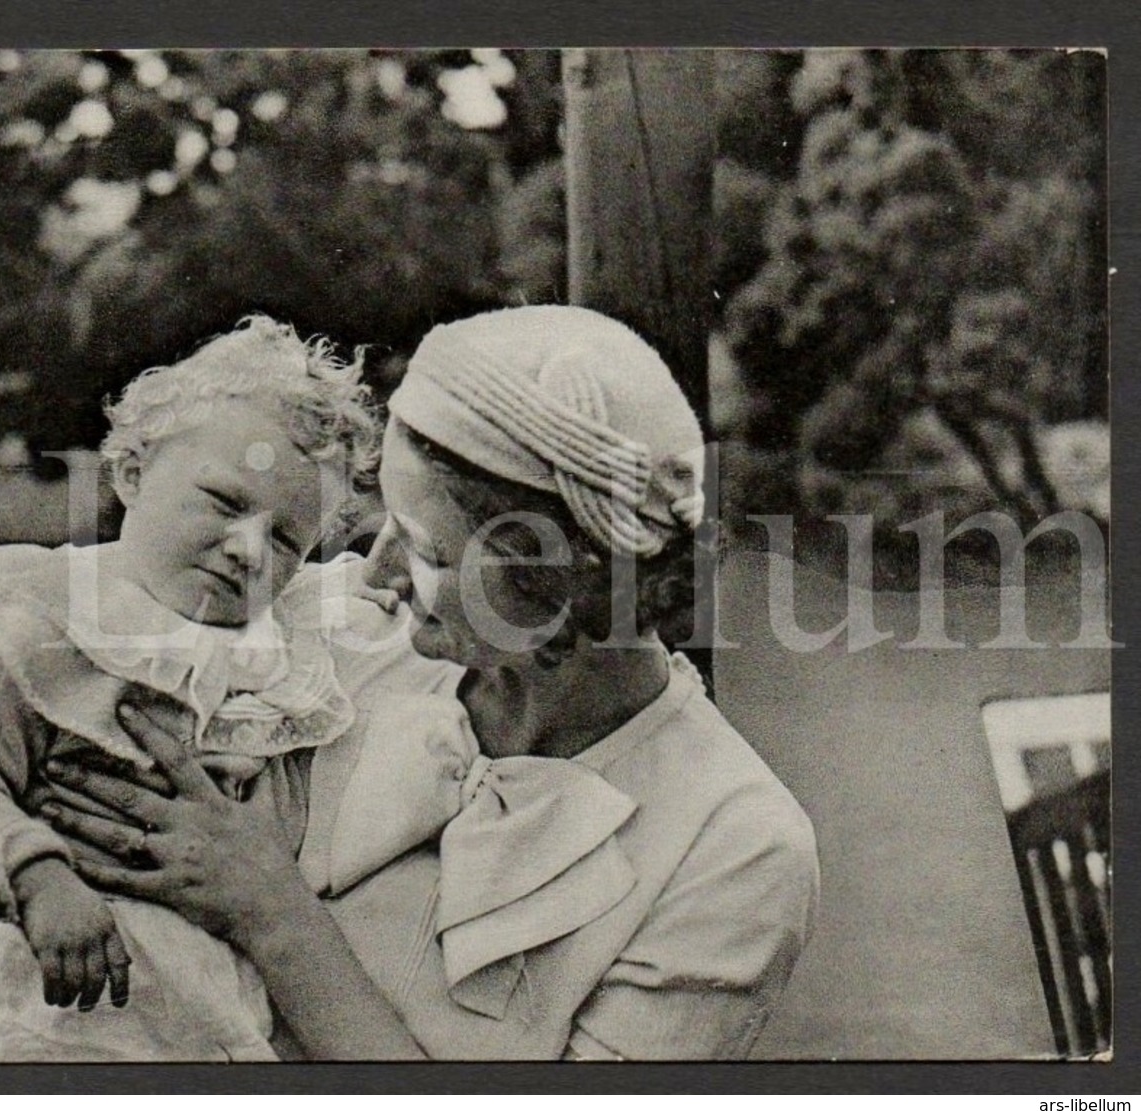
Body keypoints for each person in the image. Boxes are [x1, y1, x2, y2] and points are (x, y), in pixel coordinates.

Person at [41, 305, 821, 1060]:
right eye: (384, 522)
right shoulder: (323, 631)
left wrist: (270, 914)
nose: (372, 572)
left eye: (426, 551)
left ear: (556, 582)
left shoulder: (735, 847)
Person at [0, 317, 474, 1061]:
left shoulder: (278, 650)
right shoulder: (55, 629)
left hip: (211, 1024)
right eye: (224, 503)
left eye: (283, 541)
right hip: (57, 1010)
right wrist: (36, 877)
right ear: (133, 472)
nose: (245, 551)